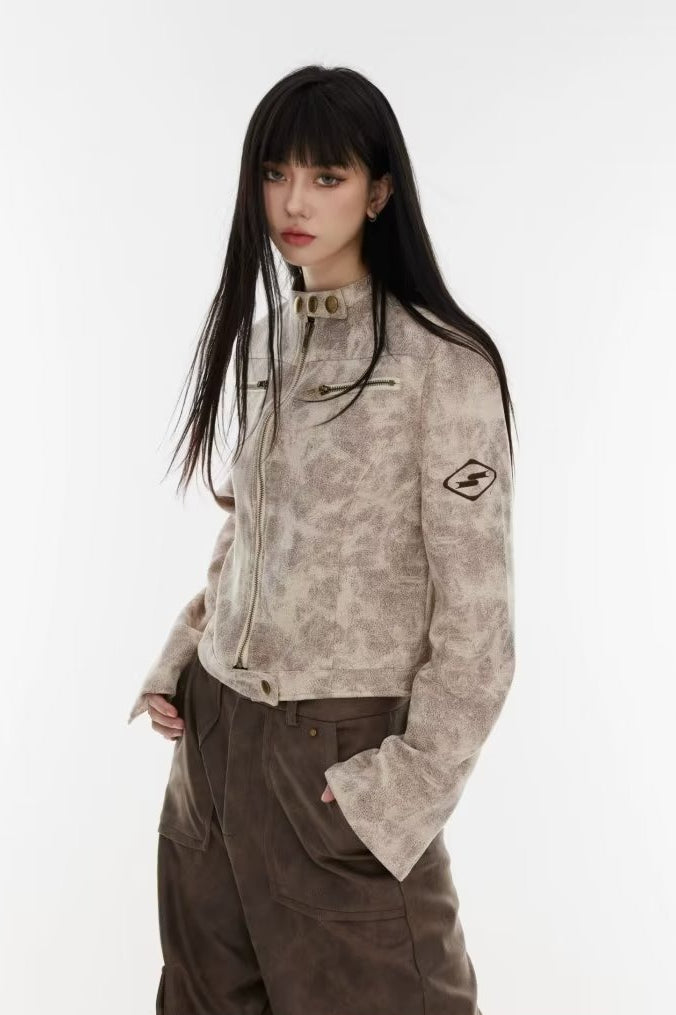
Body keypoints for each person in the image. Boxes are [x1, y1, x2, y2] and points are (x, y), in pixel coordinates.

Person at [127, 63, 517, 1015]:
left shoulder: (444, 367)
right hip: (214, 750)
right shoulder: (266, 340)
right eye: (275, 172)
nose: (294, 202)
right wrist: (185, 656)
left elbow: (479, 625)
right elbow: (249, 530)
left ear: (378, 191)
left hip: (340, 757)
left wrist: (401, 790)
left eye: (327, 176)